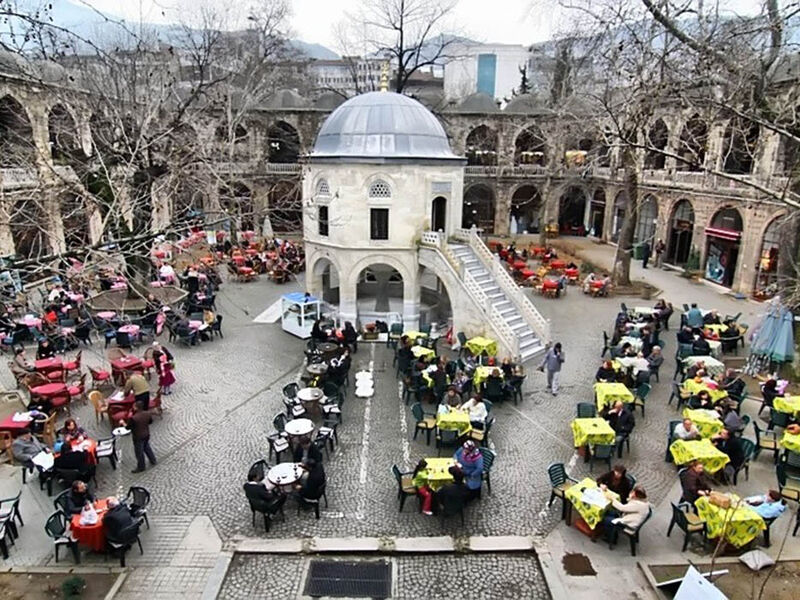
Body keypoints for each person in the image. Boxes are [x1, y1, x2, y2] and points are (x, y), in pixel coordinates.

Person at [128, 402, 157, 474]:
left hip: (138, 436)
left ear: (136, 408)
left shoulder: (134, 418)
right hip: (146, 434)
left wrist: (123, 423)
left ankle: (141, 467)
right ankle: (153, 460)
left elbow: (128, 427)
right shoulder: (147, 414)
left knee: (139, 452)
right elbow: (150, 422)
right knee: (147, 447)